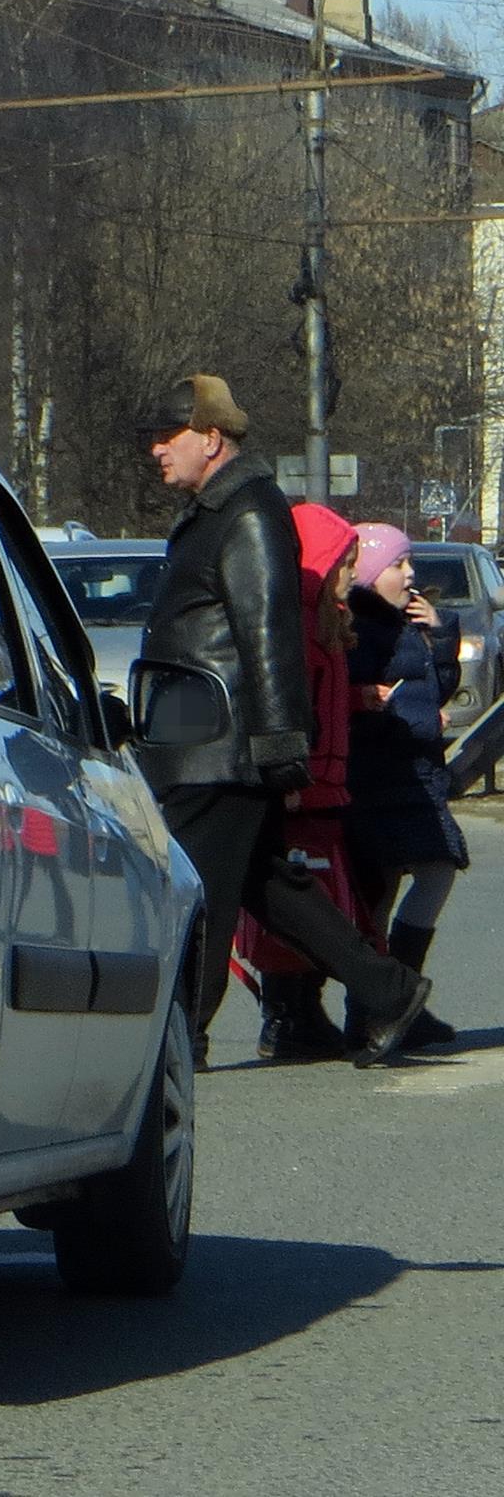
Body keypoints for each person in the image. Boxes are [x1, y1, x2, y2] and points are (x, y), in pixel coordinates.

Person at [132, 373, 427, 1069]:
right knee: (267, 885)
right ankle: (388, 991)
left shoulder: (249, 511)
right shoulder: (219, 509)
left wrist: (279, 740)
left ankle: (182, 1037)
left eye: (169, 435)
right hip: (201, 731)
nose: (156, 449)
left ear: (211, 438)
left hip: (219, 740)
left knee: (202, 892)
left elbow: (268, 631)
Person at [234, 503, 364, 1061]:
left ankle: (304, 1008)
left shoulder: (328, 620)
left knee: (322, 897)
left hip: (325, 783)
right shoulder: (298, 625)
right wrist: (288, 772)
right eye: (345, 563)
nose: (353, 574)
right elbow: (291, 705)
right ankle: (285, 1014)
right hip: (300, 784)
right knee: (299, 901)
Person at [344, 523, 465, 1051]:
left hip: (413, 772)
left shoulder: (406, 622)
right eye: (398, 564)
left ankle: (392, 1002)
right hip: (384, 776)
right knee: (397, 882)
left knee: (419, 877)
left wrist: (441, 635)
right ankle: (385, 1004)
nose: (410, 573)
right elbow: (360, 698)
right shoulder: (362, 628)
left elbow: (438, 687)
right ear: (370, 573)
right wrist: (385, 708)